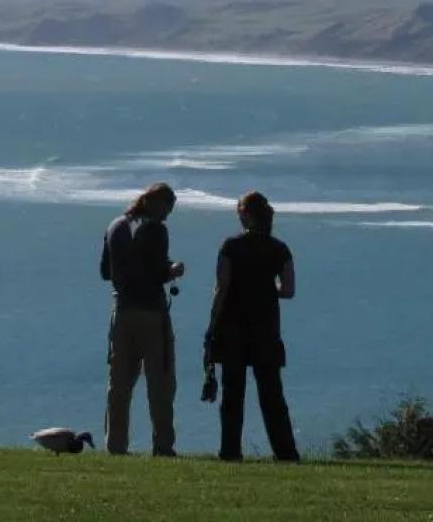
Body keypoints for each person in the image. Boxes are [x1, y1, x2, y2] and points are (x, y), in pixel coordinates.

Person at [204, 191, 299, 462]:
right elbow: (288, 290)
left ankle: (230, 451)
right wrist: (266, 290)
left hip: (233, 326)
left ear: (245, 214)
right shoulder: (280, 248)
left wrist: (211, 325)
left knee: (233, 393)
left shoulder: (230, 246)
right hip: (266, 327)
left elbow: (222, 287)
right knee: (272, 394)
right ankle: (285, 451)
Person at [99, 181, 185, 456]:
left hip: (121, 311)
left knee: (119, 380)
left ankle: (115, 443)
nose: (166, 216)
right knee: (159, 379)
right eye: (166, 209)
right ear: (153, 203)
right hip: (151, 311)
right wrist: (173, 270)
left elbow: (104, 271)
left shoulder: (114, 226)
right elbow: (159, 272)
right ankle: (162, 444)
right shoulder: (156, 229)